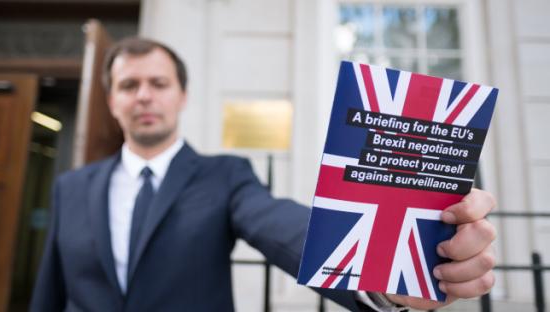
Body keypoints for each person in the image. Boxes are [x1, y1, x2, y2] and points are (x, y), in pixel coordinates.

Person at [31, 37, 496, 312]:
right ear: (112, 101)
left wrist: (377, 278)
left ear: (182, 96)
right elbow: (49, 294)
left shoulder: (224, 176)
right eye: (130, 86)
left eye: (159, 83)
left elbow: (281, 226)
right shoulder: (71, 187)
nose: (145, 96)